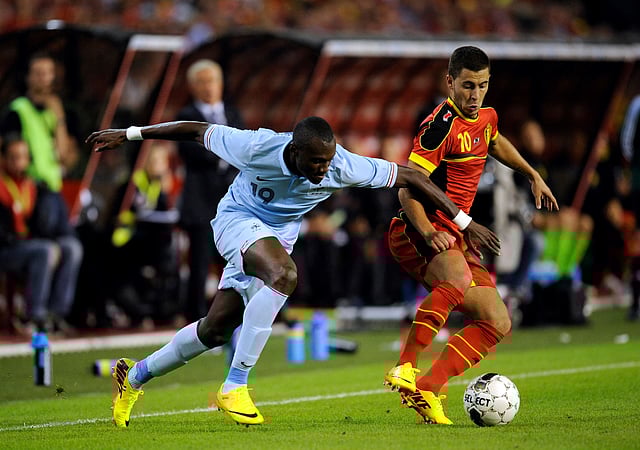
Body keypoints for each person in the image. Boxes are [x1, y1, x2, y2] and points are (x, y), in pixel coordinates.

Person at [86, 116, 501, 428]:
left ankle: (133, 374)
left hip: (275, 238)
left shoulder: (342, 165)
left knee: (215, 330)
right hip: (237, 221)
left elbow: (410, 176)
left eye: (328, 162)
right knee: (285, 276)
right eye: (316, 163)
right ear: (294, 151)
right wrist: (129, 134)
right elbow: (196, 130)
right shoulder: (256, 147)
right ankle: (235, 385)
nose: (324, 170)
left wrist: (463, 223)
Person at [382, 46, 558, 425]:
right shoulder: (439, 127)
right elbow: (407, 188)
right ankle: (405, 366)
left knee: (497, 321)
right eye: (467, 86)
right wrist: (429, 231)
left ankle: (427, 389)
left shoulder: (486, 118)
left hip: (456, 234)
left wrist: (533, 174)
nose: (475, 94)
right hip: (417, 229)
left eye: (482, 85)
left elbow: (495, 141)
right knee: (458, 279)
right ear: (450, 82)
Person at [176, 59, 244, 323]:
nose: (208, 87)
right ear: (192, 86)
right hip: (200, 201)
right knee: (200, 263)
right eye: (202, 82)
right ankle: (194, 318)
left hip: (233, 200)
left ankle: (236, 314)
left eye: (212, 80)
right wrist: (224, 154)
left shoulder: (233, 113)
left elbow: (245, 147)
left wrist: (221, 155)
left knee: (238, 260)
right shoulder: (186, 115)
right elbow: (189, 151)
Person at [0, 134, 82, 334]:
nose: (20, 163)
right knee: (45, 250)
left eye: (23, 157)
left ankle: (57, 313)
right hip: (6, 248)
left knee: (72, 248)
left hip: (30, 245)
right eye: (14, 157)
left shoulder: (34, 186)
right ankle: (35, 315)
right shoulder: (1, 187)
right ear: (3, 160)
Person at [620, 93, 640, 320]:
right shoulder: (637, 104)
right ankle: (635, 301)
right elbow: (627, 143)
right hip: (639, 178)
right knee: (637, 238)